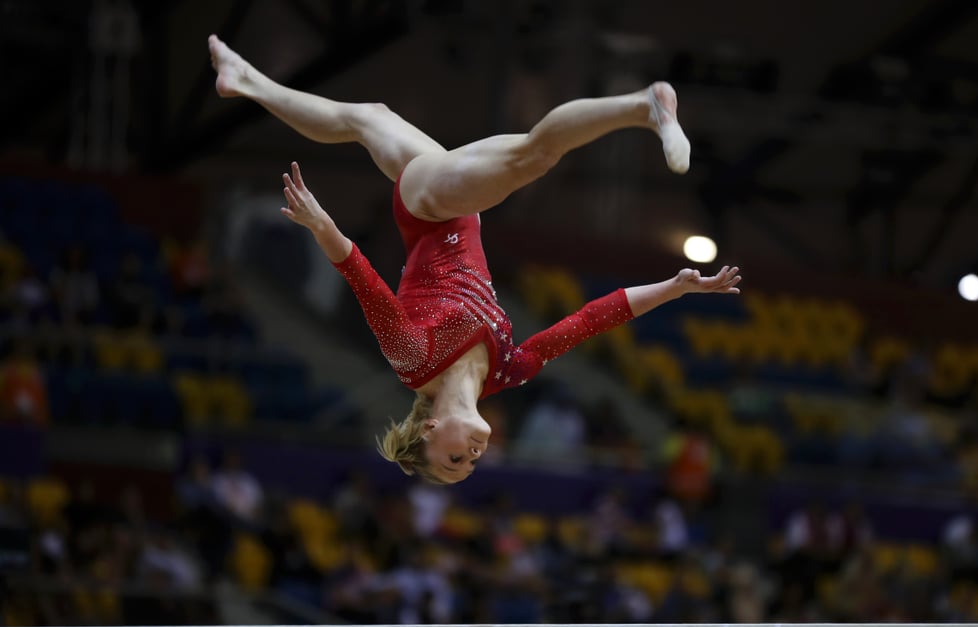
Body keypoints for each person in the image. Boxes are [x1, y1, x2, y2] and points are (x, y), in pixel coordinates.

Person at [209, 34, 742, 485]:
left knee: (533, 155)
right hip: (457, 209)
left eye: (455, 459)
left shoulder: (413, 361)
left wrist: (320, 223)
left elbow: (362, 278)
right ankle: (248, 80)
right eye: (470, 466)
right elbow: (590, 319)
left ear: (428, 430)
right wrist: (675, 287)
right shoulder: (508, 370)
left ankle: (643, 106)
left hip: (430, 209)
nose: (474, 456)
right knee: (366, 118)